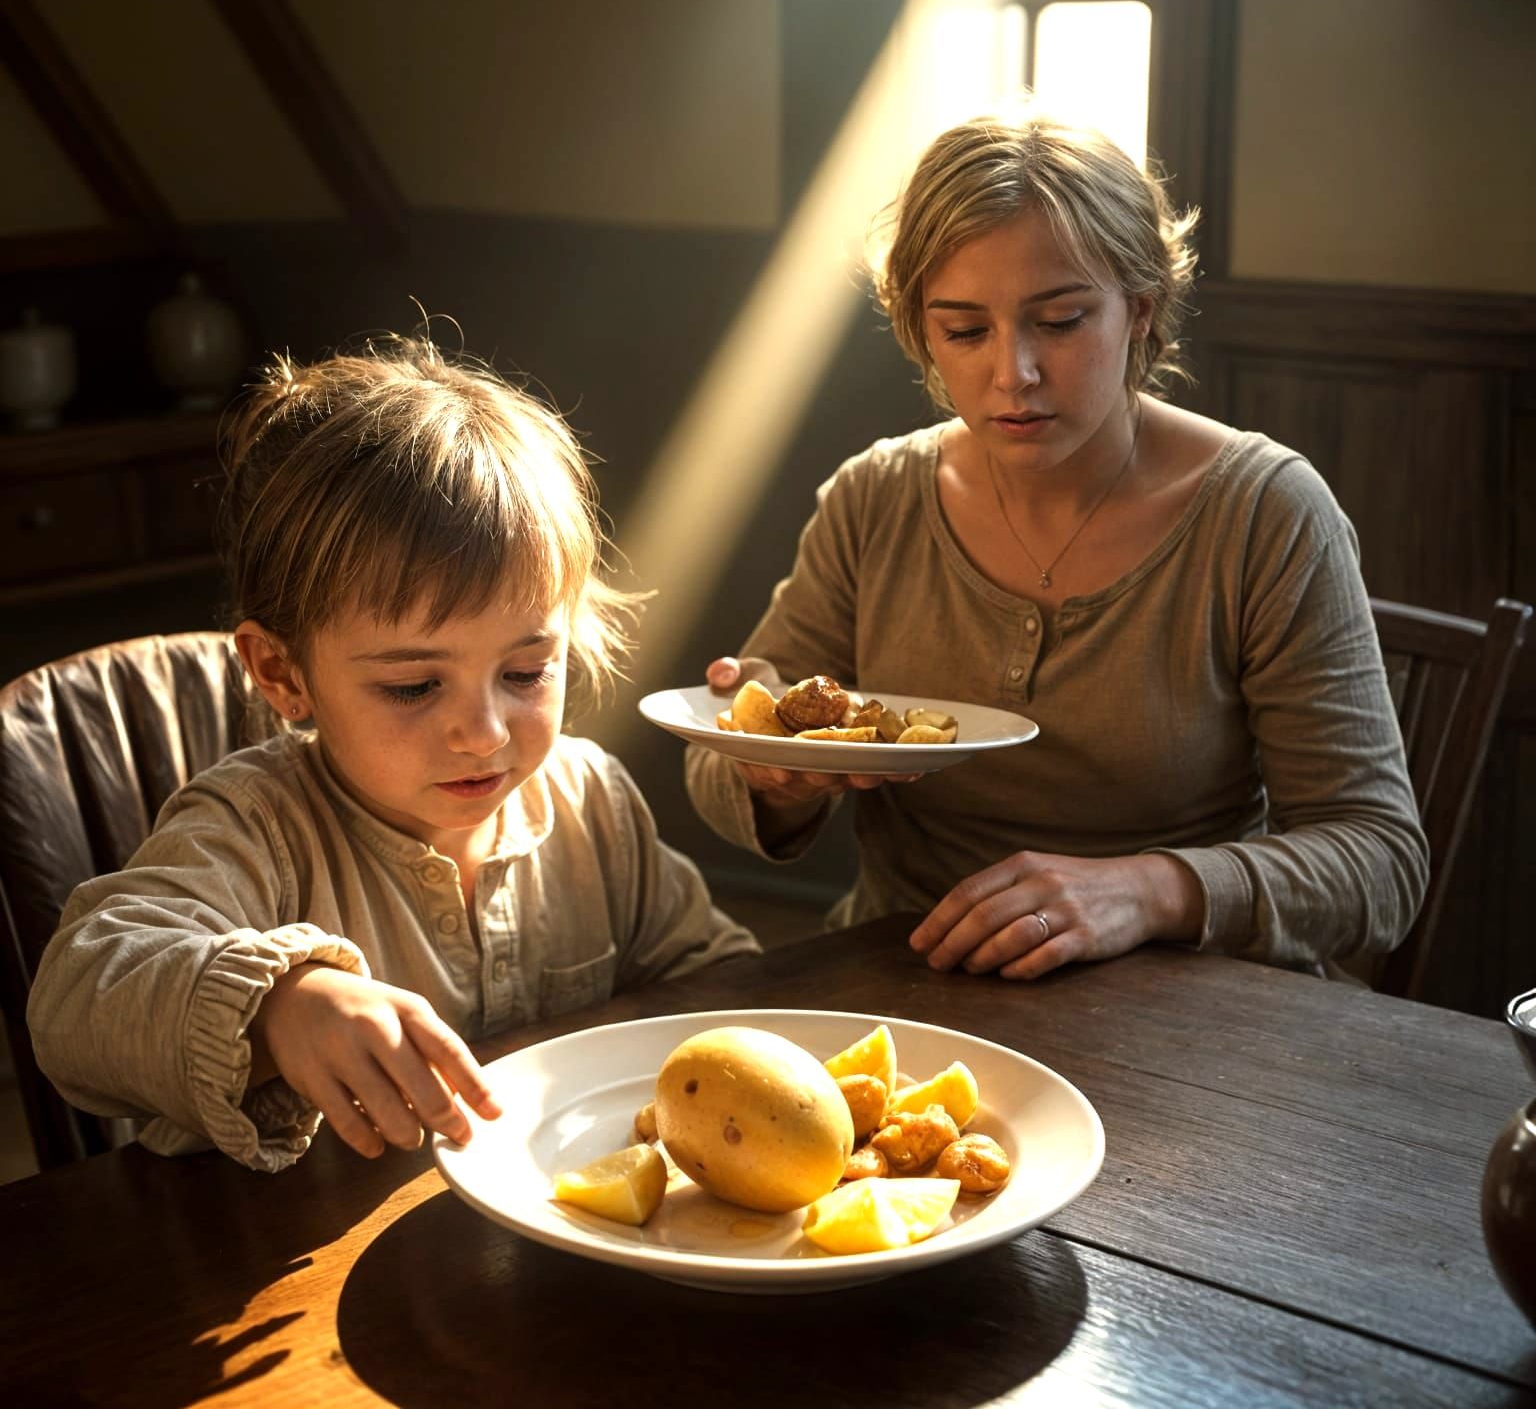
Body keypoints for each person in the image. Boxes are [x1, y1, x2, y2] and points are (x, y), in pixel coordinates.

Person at [686, 116, 1426, 984]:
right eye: (965, 332)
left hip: (1189, 1007)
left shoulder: (1263, 513)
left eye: (1062, 321)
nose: (1014, 374)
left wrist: (1150, 892)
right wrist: (772, 774)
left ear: (1139, 310)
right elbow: (720, 759)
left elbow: (1380, 862)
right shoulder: (875, 498)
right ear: (923, 333)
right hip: (913, 982)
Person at [29, 338, 758, 1172]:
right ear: (282, 672)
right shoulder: (256, 826)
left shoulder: (589, 800)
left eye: (526, 671)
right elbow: (74, 998)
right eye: (414, 687)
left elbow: (715, 981)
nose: (484, 732)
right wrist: (278, 1002)